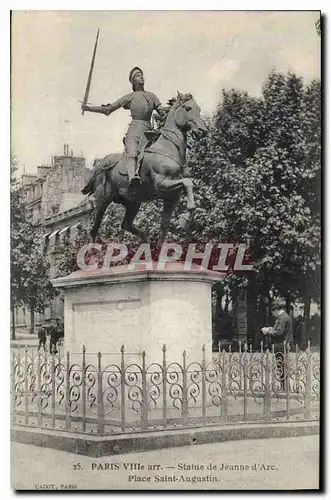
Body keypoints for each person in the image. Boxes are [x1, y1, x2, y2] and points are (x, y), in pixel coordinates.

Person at [81, 67, 166, 192]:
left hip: (150, 133)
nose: (141, 77)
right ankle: (133, 179)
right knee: (132, 154)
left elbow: (162, 113)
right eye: (138, 75)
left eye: (142, 74)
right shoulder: (129, 97)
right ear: (132, 81)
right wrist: (89, 108)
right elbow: (108, 109)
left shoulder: (152, 96)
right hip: (135, 131)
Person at [261, 300, 293, 390]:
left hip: (281, 345)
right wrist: (270, 328)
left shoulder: (282, 318)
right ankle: (285, 387)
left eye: (273, 313)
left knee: (282, 366)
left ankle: (285, 388)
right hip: (283, 344)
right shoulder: (285, 317)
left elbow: (279, 333)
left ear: (276, 310)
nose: (273, 315)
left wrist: (267, 332)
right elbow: (280, 329)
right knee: (282, 366)